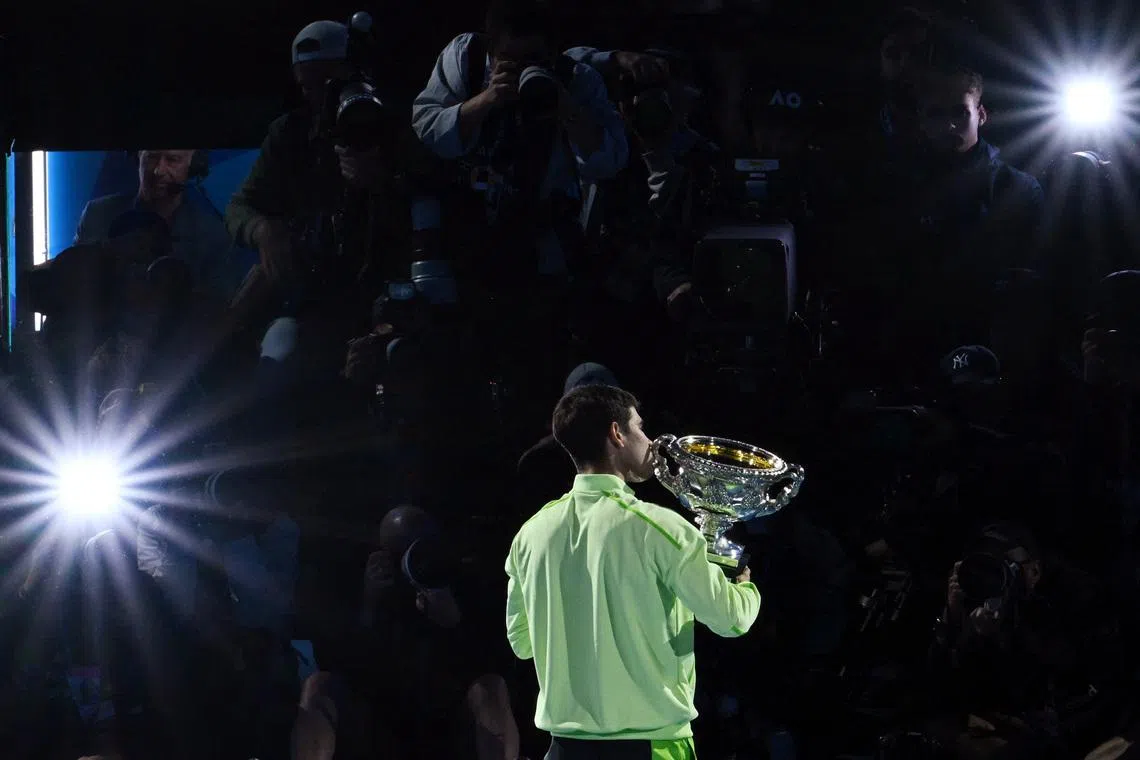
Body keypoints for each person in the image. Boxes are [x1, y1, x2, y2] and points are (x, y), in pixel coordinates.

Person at [505, 384, 760, 758]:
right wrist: (744, 587)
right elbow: (731, 620)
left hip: (564, 748)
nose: (650, 441)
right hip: (651, 744)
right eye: (640, 428)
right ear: (617, 433)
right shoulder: (661, 529)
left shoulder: (530, 535)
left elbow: (522, 643)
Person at [411, 0, 628, 417]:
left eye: (536, 59)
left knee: (540, 354)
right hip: (467, 231)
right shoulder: (465, 59)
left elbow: (609, 161)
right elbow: (427, 129)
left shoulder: (576, 80)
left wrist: (565, 107)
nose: (525, 68)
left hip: (540, 239)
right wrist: (486, 99)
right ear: (492, 51)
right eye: (511, 59)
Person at [226, 18, 441, 375]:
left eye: (327, 83)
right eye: (307, 87)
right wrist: (262, 230)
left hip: (386, 285)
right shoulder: (291, 134)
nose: (317, 97)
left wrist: (384, 183)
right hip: (316, 282)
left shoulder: (402, 128)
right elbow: (240, 206)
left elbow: (433, 202)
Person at [75, 150, 237, 301]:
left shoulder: (213, 235)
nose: (158, 170)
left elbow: (216, 310)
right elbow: (75, 285)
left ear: (194, 165)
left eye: (172, 160)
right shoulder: (97, 215)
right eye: (151, 157)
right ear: (138, 157)